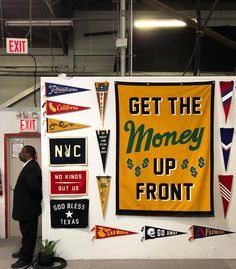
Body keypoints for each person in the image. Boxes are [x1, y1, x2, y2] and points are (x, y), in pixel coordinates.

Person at [11, 145, 42, 269]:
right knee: (25, 233)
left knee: (29, 234)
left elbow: (35, 188)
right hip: (26, 208)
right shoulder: (29, 166)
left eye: (21, 152)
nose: (19, 154)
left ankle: (26, 259)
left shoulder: (31, 167)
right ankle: (24, 252)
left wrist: (34, 202)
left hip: (28, 208)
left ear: (28, 154)